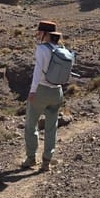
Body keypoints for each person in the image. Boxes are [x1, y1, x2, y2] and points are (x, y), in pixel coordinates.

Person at [23, 20, 65, 171]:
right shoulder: (60, 49)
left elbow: (38, 71)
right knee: (51, 127)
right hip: (57, 92)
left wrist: (32, 91)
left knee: (30, 125)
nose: (38, 34)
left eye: (40, 32)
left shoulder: (41, 49)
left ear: (46, 34)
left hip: (41, 90)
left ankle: (31, 158)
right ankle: (47, 161)